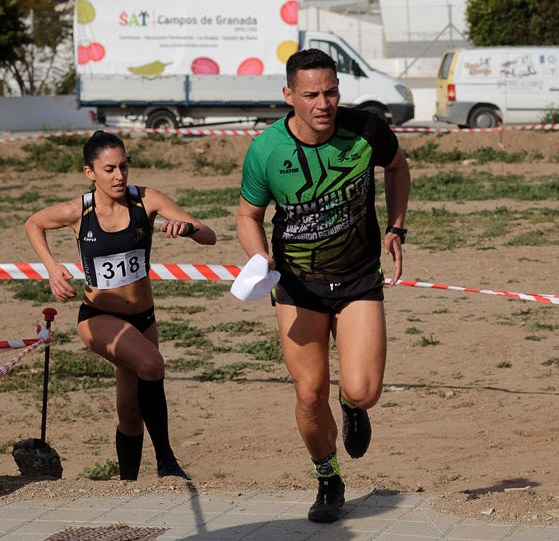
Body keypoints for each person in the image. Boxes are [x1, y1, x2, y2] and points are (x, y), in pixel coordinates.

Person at [235, 48, 411, 523]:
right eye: (311, 94)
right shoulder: (266, 151)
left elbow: (398, 168)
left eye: (331, 91)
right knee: (310, 393)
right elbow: (248, 216)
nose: (323, 103)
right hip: (298, 285)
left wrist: (396, 227)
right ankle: (328, 478)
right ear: (288, 95)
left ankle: (354, 407)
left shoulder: (368, 129)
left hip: (356, 278)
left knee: (364, 389)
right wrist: (258, 256)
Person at [25, 130, 216, 481]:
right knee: (151, 363)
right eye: (109, 169)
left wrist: (186, 228)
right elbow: (33, 223)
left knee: (129, 411)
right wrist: (52, 268)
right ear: (90, 172)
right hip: (98, 317)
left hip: (143, 319)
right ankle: (167, 463)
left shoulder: (146, 200)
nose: (119, 176)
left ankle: (127, 484)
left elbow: (209, 234)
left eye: (124, 167)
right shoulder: (78, 211)